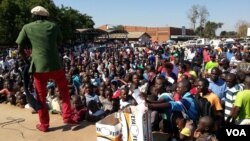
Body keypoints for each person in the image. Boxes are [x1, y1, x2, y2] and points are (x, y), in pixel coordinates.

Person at [16, 6, 77, 132]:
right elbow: (60, 42)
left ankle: (44, 125)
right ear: (46, 16)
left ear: (34, 16)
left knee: (41, 96)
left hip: (38, 66)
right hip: (55, 64)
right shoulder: (54, 26)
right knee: (64, 91)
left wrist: (27, 59)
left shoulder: (27, 27)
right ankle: (67, 116)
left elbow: (20, 46)